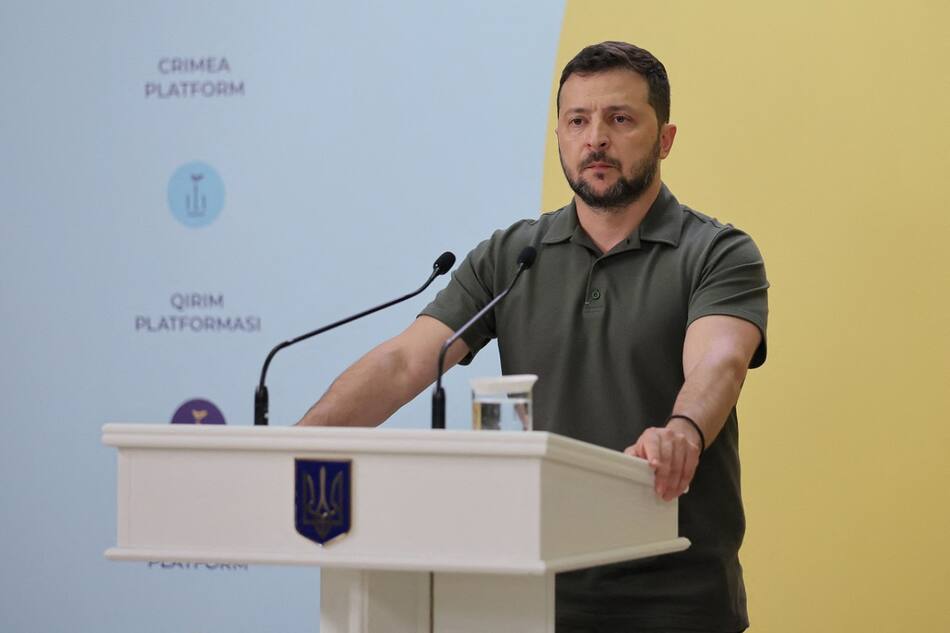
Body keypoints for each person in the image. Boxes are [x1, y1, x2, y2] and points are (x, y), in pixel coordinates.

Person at [299, 41, 768, 633]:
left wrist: (682, 432)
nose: (596, 139)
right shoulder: (512, 255)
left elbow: (718, 362)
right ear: (559, 137)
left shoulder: (717, 251)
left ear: (665, 139)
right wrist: (294, 447)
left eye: (620, 119)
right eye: (578, 121)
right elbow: (403, 363)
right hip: (530, 595)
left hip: (675, 599)